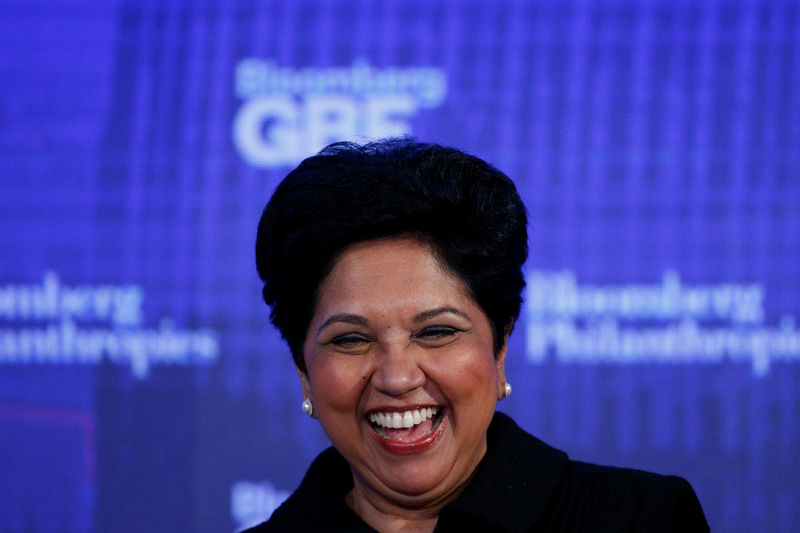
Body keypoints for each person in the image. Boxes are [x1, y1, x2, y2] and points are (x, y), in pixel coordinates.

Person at [247, 139, 709, 532]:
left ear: (500, 345)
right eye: (351, 339)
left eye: (436, 332)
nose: (397, 376)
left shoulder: (637, 519)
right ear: (304, 369)